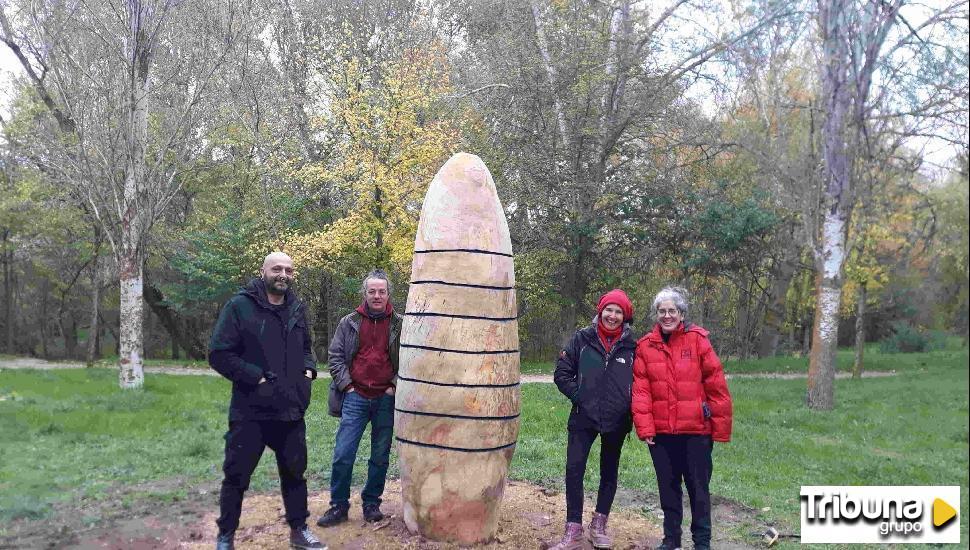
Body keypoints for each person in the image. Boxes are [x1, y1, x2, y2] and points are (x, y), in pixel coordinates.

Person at [208, 252, 325, 550]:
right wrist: (255, 376)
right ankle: (226, 536)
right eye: (277, 269)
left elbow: (307, 347)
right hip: (250, 412)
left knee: (295, 474)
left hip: (290, 411)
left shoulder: (297, 308)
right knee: (236, 476)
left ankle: (299, 530)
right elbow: (219, 353)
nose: (283, 274)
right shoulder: (239, 306)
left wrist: (309, 371)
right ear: (263, 272)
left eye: (288, 269)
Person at [632, 287, 732, 550]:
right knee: (668, 491)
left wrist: (719, 429)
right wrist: (646, 428)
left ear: (681, 313)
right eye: (662, 311)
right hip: (662, 436)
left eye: (672, 311)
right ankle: (671, 540)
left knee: (699, 491)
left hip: (697, 433)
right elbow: (641, 391)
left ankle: (702, 543)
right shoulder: (644, 346)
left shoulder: (698, 340)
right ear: (656, 314)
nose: (667, 316)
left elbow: (716, 385)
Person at [551, 289, 637, 550]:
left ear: (625, 316)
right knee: (574, 469)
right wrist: (581, 397)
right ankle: (573, 529)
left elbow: (643, 383)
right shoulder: (582, 339)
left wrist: (629, 407)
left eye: (618, 311)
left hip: (617, 420)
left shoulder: (634, 346)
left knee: (608, 471)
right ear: (600, 311)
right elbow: (561, 374)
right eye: (608, 310)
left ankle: (599, 524)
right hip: (583, 417)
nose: (612, 315)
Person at [317, 269, 402, 527]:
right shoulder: (349, 322)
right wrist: (348, 386)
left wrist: (394, 387)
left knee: (380, 455)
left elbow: (411, 359)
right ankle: (338, 506)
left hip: (385, 398)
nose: (377, 296)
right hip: (355, 397)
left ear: (388, 294)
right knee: (343, 453)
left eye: (382, 291)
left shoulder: (401, 324)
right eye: (372, 291)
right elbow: (335, 357)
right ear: (365, 293)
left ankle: (371, 503)